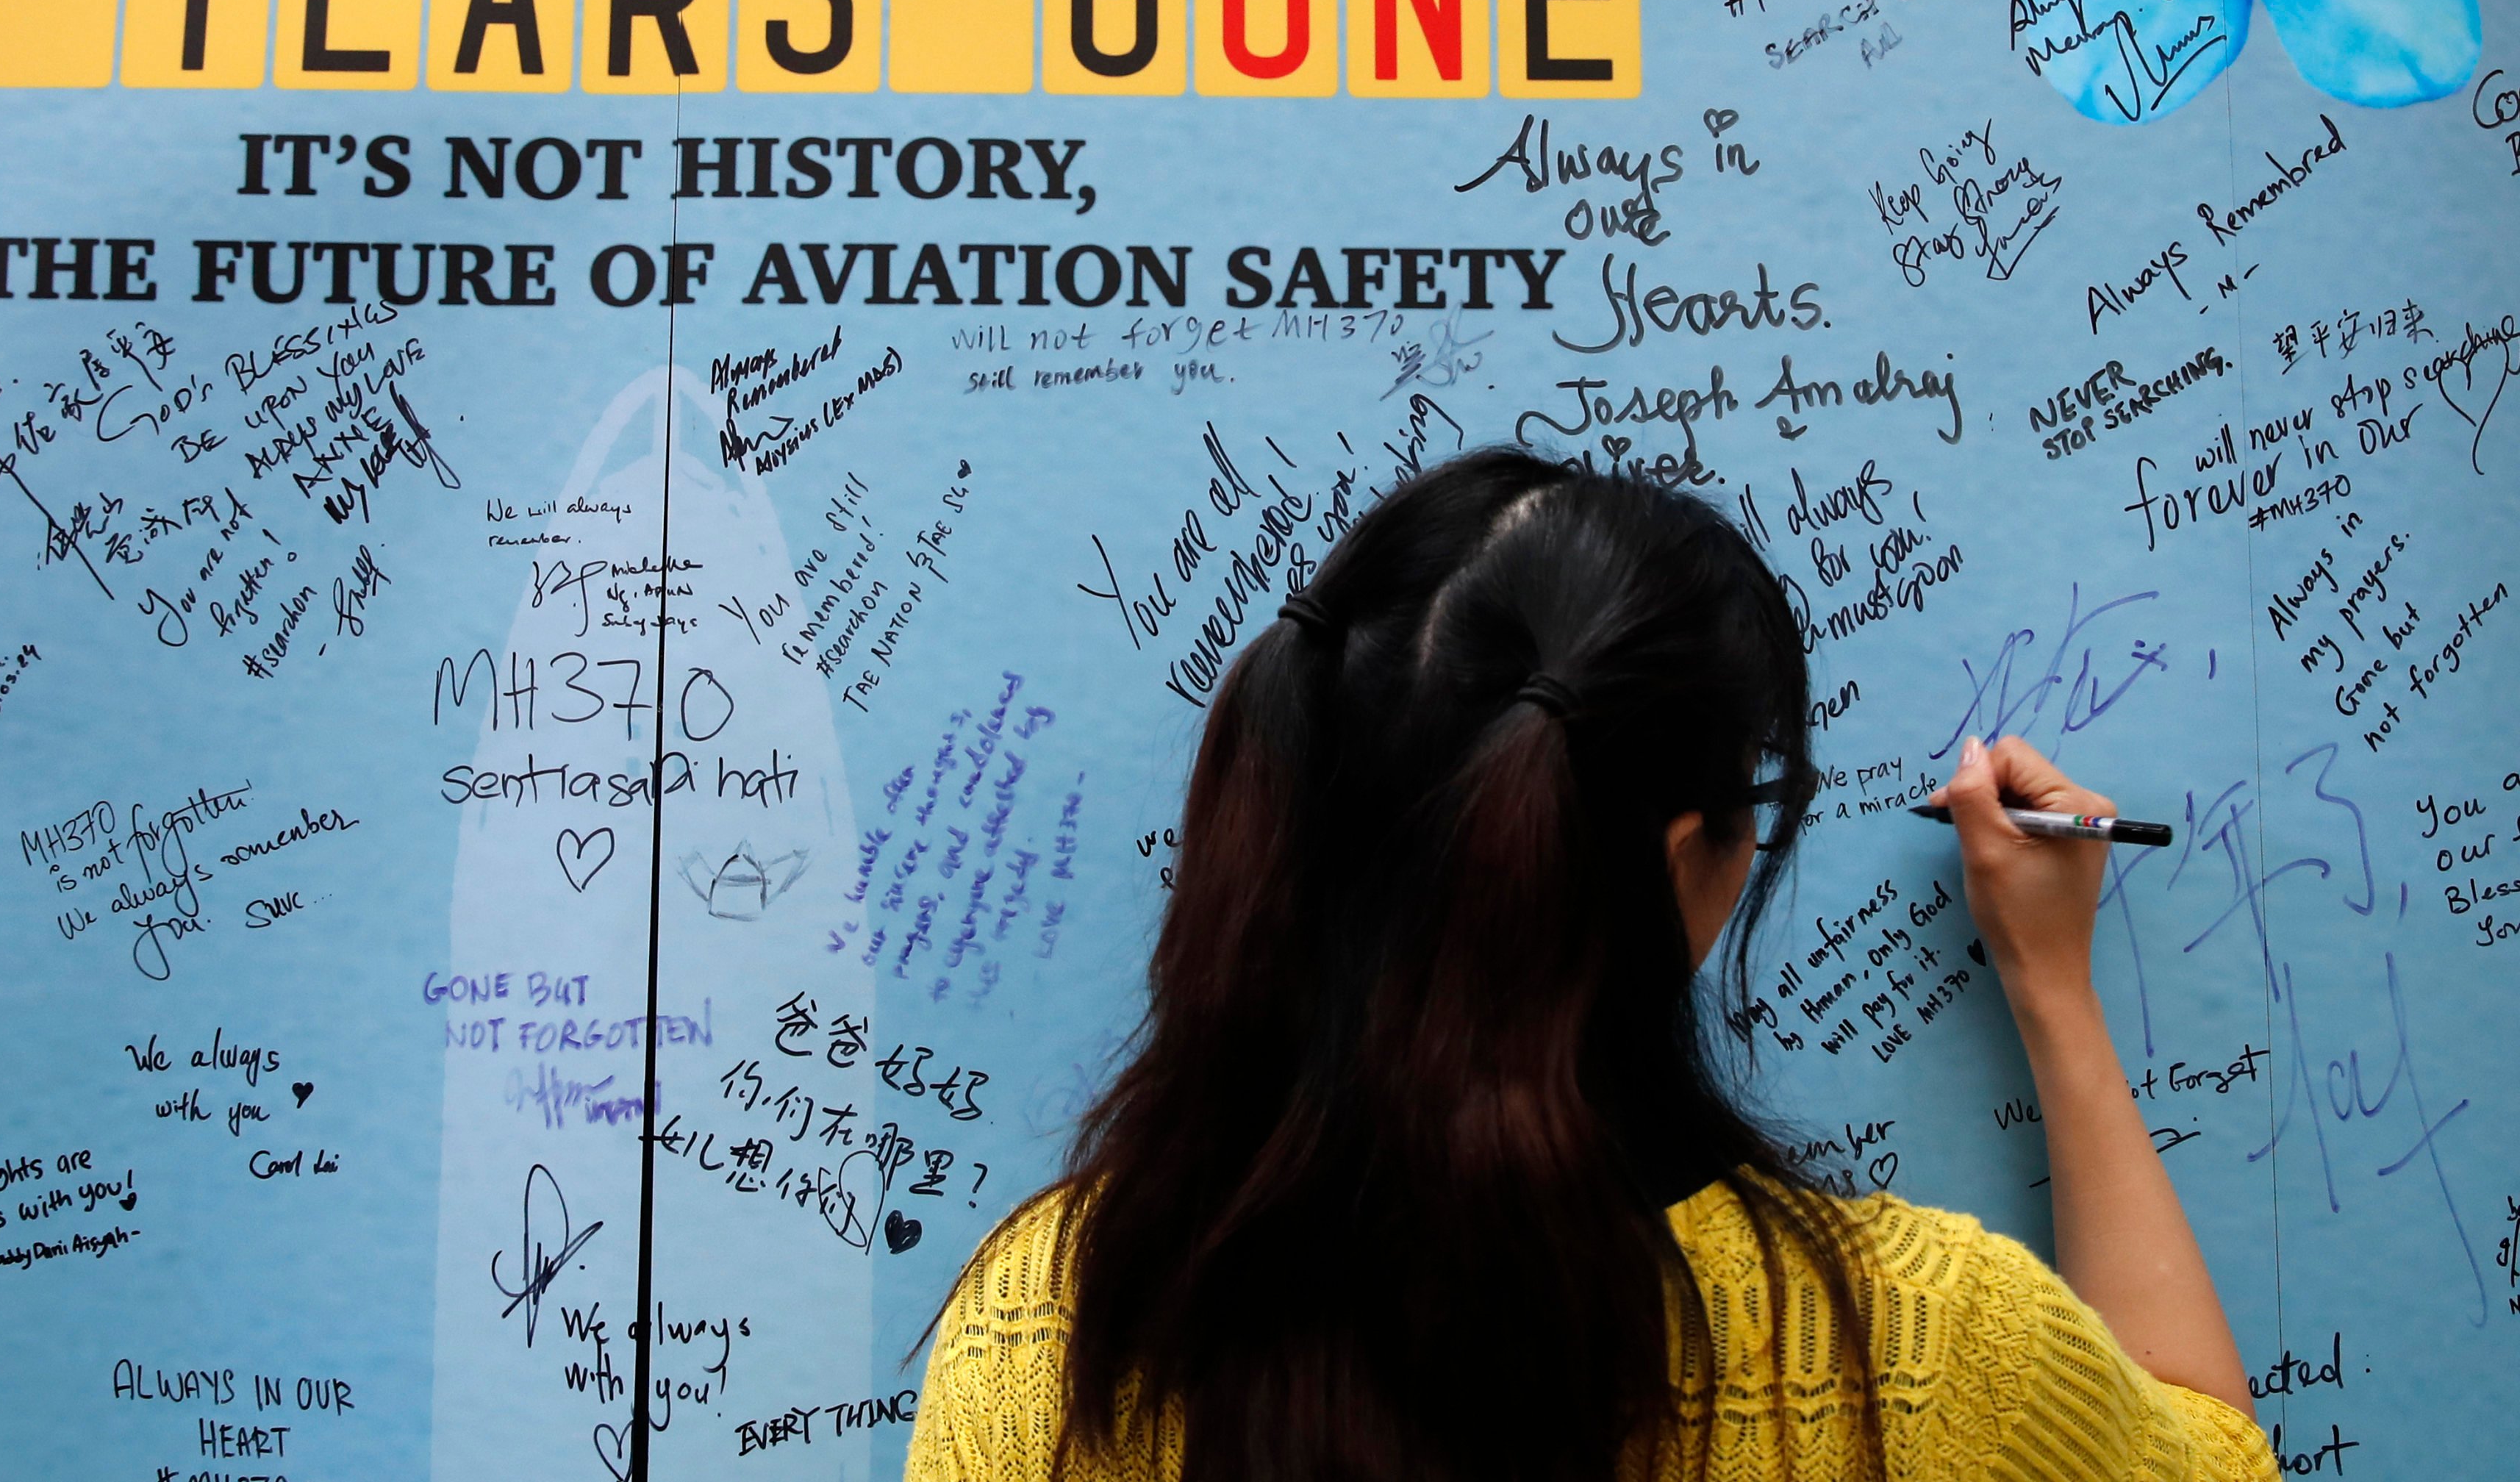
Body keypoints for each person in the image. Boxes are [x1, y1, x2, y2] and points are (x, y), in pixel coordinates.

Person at [906, 450, 2271, 1482]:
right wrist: (2056, 991)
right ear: (1690, 855)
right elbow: (2216, 1457)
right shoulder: (1910, 1358)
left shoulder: (1043, 1331)